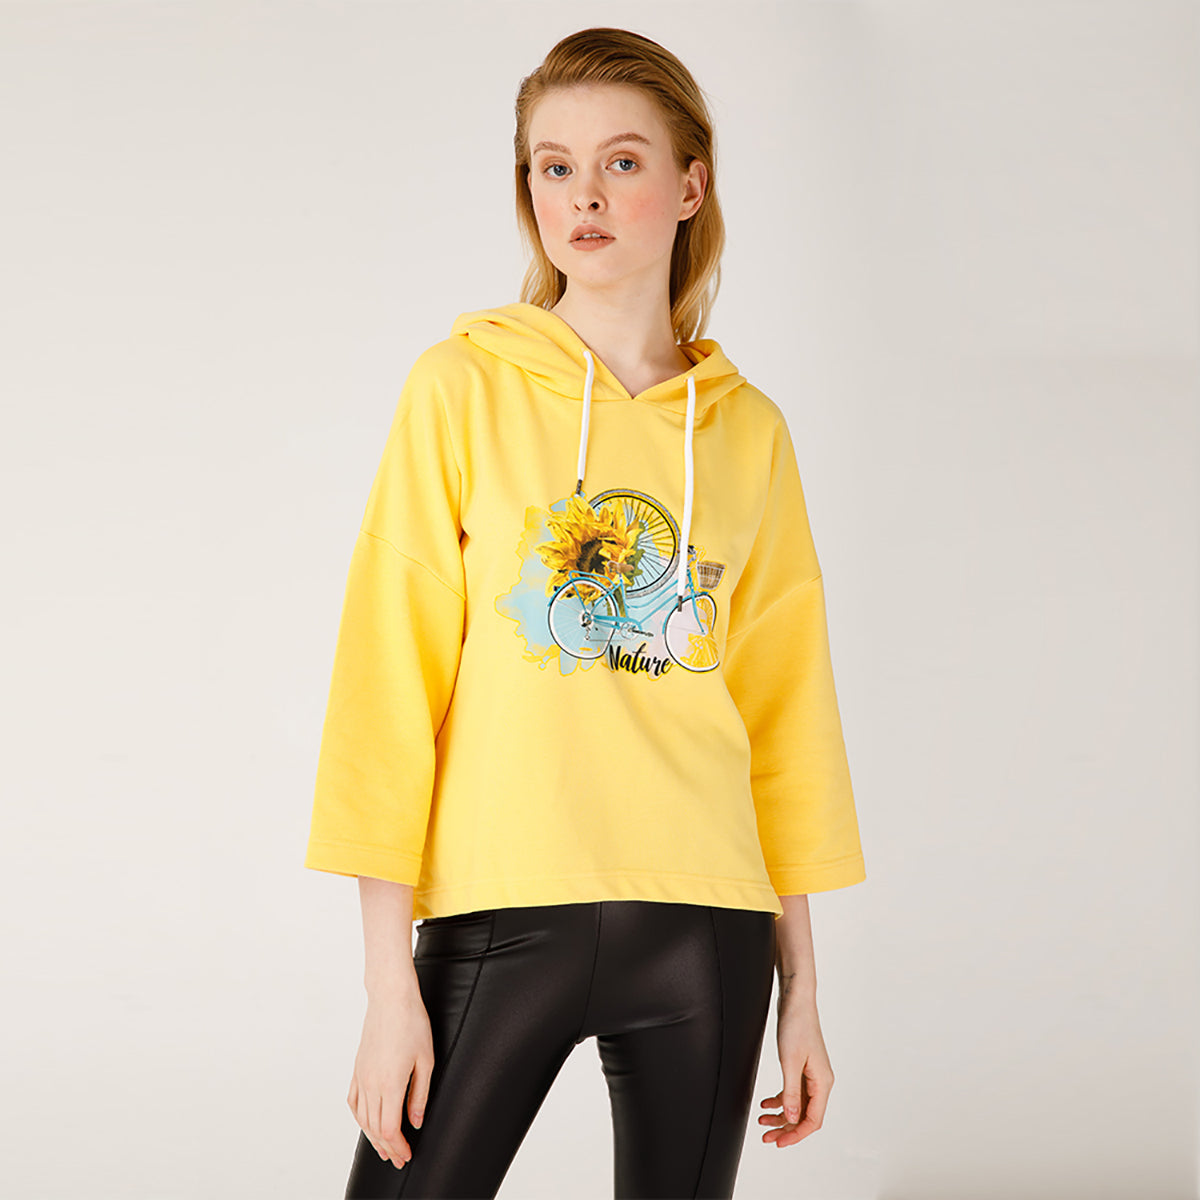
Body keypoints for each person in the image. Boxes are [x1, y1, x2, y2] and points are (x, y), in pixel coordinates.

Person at [304, 25, 866, 1200]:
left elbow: (786, 714)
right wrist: (387, 986)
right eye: (553, 167)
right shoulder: (460, 387)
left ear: (690, 186)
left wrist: (805, 992)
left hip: (708, 925)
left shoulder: (748, 431)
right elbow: (387, 683)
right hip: (500, 913)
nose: (584, 197)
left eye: (621, 161)